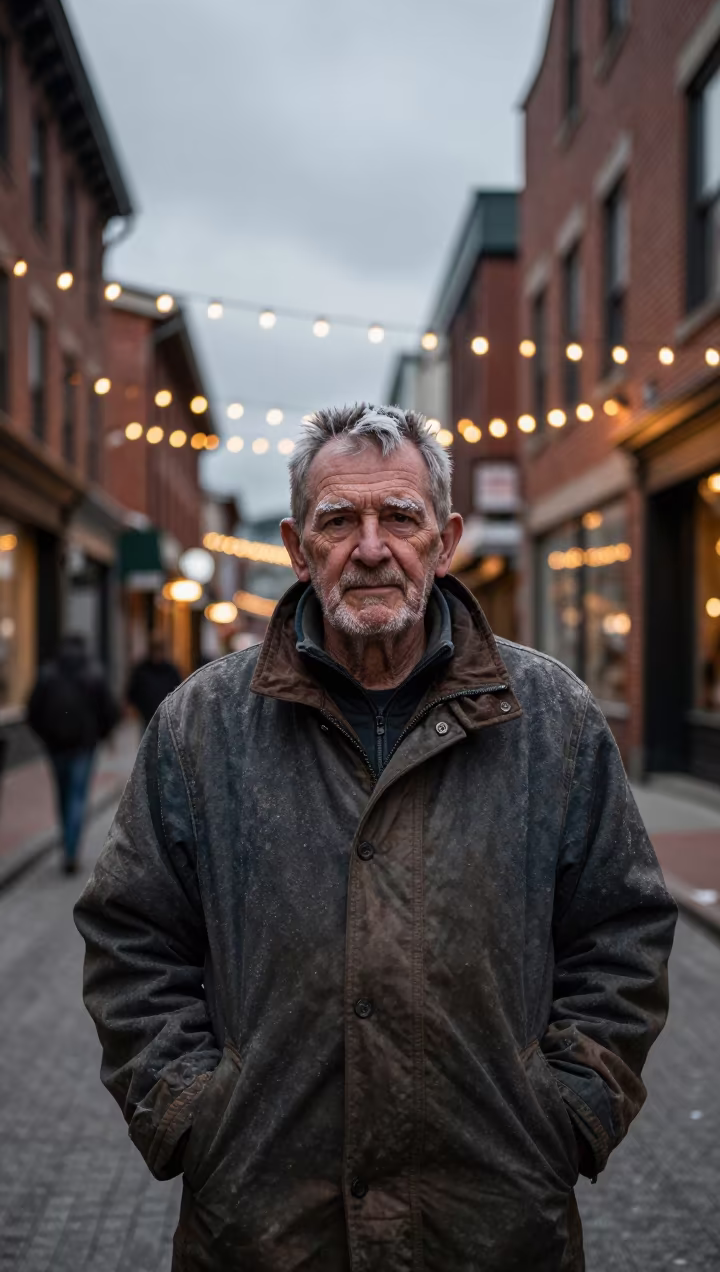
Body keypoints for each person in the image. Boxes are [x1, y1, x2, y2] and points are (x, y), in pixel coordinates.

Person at [74, 406, 676, 1272]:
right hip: (264, 1226)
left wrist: (568, 1111)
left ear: (445, 540)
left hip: (492, 1225)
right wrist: (192, 1114)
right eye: (338, 521)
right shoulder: (201, 724)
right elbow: (132, 938)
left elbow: (622, 933)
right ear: (295, 544)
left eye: (400, 517)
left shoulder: (554, 718)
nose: (370, 547)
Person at [28, 633, 119, 874]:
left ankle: (67, 843)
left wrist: (46, 737)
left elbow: (32, 711)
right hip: (83, 746)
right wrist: (100, 736)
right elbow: (109, 710)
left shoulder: (48, 673)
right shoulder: (93, 673)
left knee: (63, 794)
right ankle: (71, 850)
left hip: (56, 746)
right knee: (77, 796)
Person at [126, 631, 182, 728]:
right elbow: (133, 690)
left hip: (166, 718)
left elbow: (179, 691)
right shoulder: (142, 670)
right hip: (147, 718)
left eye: (159, 650)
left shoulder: (170, 671)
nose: (157, 654)